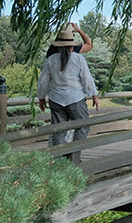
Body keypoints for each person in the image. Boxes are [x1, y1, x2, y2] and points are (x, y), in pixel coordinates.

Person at [38, 27, 100, 160]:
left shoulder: (51, 59)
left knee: (59, 131)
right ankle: (74, 157)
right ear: (72, 45)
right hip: (76, 98)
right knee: (83, 126)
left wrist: (41, 98)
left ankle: (60, 160)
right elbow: (87, 79)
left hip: (55, 99)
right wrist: (94, 95)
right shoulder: (78, 59)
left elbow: (43, 81)